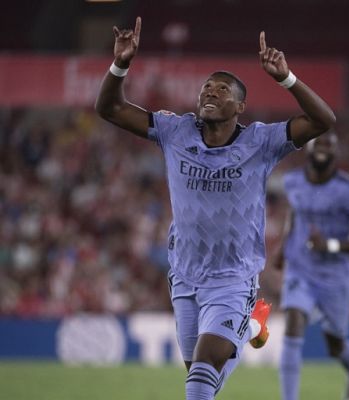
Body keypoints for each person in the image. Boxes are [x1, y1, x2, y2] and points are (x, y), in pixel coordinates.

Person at [95, 17, 336, 400]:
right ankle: (253, 328)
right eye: (206, 87)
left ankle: (247, 324)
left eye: (221, 90)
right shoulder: (175, 132)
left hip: (233, 277)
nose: (210, 93)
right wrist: (120, 64)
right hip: (186, 273)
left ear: (240, 105)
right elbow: (109, 108)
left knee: (203, 372)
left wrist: (286, 79)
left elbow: (324, 120)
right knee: (202, 375)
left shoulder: (262, 141)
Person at [271, 131, 349, 400]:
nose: (322, 148)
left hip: (335, 275)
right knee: (293, 324)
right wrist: (282, 249)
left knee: (335, 344)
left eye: (329, 144)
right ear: (307, 148)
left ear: (335, 152)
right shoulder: (293, 181)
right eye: (318, 143)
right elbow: (294, 215)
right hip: (300, 268)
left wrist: (330, 245)